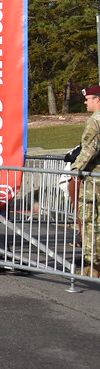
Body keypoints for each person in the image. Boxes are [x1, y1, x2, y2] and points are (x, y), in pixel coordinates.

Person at [70, 85, 100, 277]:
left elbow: (90, 148)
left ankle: (93, 267)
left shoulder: (95, 121)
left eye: (88, 99)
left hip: (94, 180)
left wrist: (76, 168)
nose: (85, 102)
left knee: (89, 221)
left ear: (97, 100)